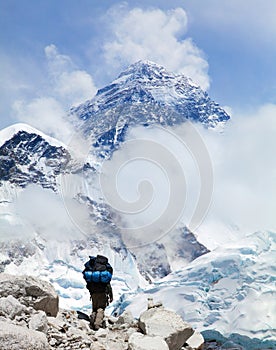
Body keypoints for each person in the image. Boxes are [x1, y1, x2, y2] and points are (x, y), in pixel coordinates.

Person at [83, 255, 113, 330]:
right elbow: (108, 285)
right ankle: (97, 325)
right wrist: (110, 295)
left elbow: (88, 283)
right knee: (101, 308)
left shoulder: (92, 269)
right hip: (102, 292)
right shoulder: (104, 273)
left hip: (93, 292)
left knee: (94, 308)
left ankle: (92, 322)